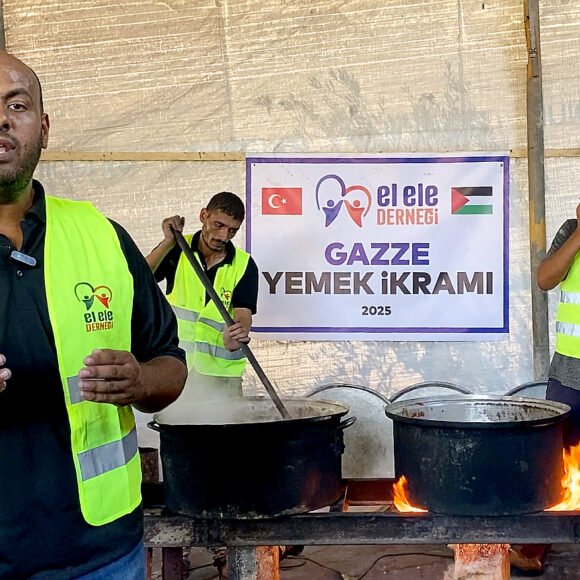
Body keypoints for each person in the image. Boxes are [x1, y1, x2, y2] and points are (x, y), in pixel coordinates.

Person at [0, 52, 187, 578]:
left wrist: (140, 379)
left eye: (17, 105)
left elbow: (170, 365)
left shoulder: (102, 237)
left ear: (44, 128)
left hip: (102, 555)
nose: (2, 120)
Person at [510, 202, 580, 574]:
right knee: (553, 464)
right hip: (569, 376)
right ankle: (534, 548)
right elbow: (545, 279)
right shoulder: (571, 231)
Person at [146, 192, 258, 402]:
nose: (223, 236)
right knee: (176, 422)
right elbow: (139, 278)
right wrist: (167, 242)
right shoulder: (177, 248)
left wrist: (238, 331)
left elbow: (244, 313)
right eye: (218, 225)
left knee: (226, 423)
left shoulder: (244, 264)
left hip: (222, 375)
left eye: (232, 230)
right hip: (176, 366)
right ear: (203, 215)